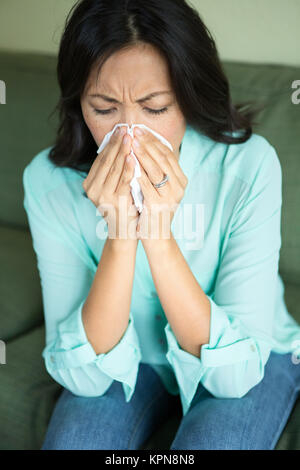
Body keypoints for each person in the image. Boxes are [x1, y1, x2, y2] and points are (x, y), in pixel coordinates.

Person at [22, 0, 300, 450]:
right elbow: (86, 377)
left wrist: (156, 233)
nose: (129, 134)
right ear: (79, 104)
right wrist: (120, 233)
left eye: (154, 107)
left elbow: (233, 377)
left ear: (189, 98)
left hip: (239, 348)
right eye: (104, 107)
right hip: (129, 354)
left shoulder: (248, 165)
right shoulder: (47, 182)